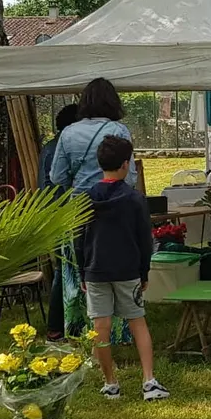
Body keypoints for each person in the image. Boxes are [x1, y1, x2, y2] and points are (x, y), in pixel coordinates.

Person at [76, 135, 168, 402]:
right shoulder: (135, 199)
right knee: (137, 321)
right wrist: (144, 271)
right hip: (128, 270)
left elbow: (78, 238)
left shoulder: (86, 198)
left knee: (100, 326)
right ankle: (149, 381)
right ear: (126, 164)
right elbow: (144, 239)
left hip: (95, 270)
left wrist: (83, 270)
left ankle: (110, 383)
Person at [50, 78, 134, 341]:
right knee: (115, 268)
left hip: (79, 209)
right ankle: (120, 330)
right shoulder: (119, 131)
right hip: (115, 208)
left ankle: (78, 331)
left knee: (77, 271)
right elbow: (129, 177)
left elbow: (57, 177)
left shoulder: (68, 133)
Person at [40, 104, 80, 340]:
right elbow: (60, 182)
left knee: (63, 269)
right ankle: (57, 326)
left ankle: (63, 324)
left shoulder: (49, 147)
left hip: (51, 213)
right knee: (64, 270)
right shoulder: (61, 148)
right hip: (63, 213)